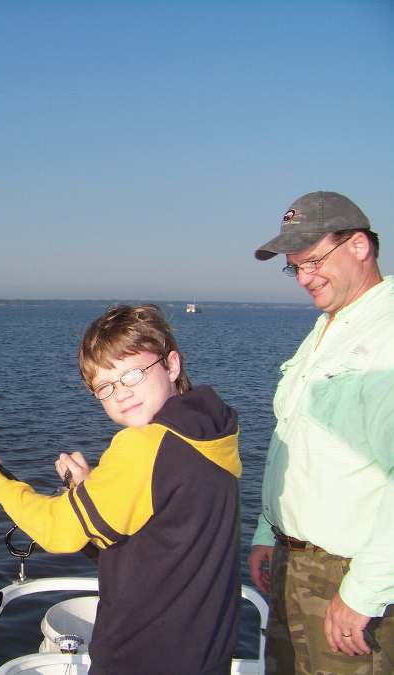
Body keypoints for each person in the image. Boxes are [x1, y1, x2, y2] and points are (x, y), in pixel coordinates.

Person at [0, 304, 242, 675]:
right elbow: (161, 530)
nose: (121, 394)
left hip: (142, 657)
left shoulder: (144, 446)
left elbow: (58, 531)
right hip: (205, 653)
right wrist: (89, 488)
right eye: (105, 387)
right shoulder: (211, 428)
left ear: (172, 364)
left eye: (133, 374)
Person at [248, 190, 394, 674]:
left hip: (352, 576)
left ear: (359, 246)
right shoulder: (330, 327)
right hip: (293, 567)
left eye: (312, 261)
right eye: (295, 268)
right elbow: (295, 440)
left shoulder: (386, 335)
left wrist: (363, 592)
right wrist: (269, 532)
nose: (304, 278)